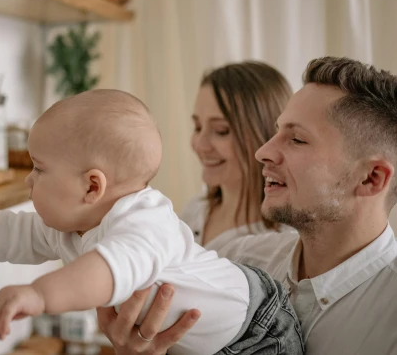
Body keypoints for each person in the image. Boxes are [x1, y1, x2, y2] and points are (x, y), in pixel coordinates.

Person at [0, 89, 304, 355]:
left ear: (91, 187)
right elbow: (9, 230)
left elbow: (104, 270)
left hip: (258, 330)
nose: (30, 180)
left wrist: (37, 295)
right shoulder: (73, 224)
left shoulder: (144, 223)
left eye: (39, 168)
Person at [97, 56, 397, 355]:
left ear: (371, 178)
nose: (263, 152)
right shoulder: (237, 259)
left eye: (297, 139)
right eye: (276, 132)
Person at [182, 61, 293, 250]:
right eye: (198, 127)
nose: (200, 145)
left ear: (267, 136)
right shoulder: (194, 211)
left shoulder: (282, 242)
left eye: (221, 130)